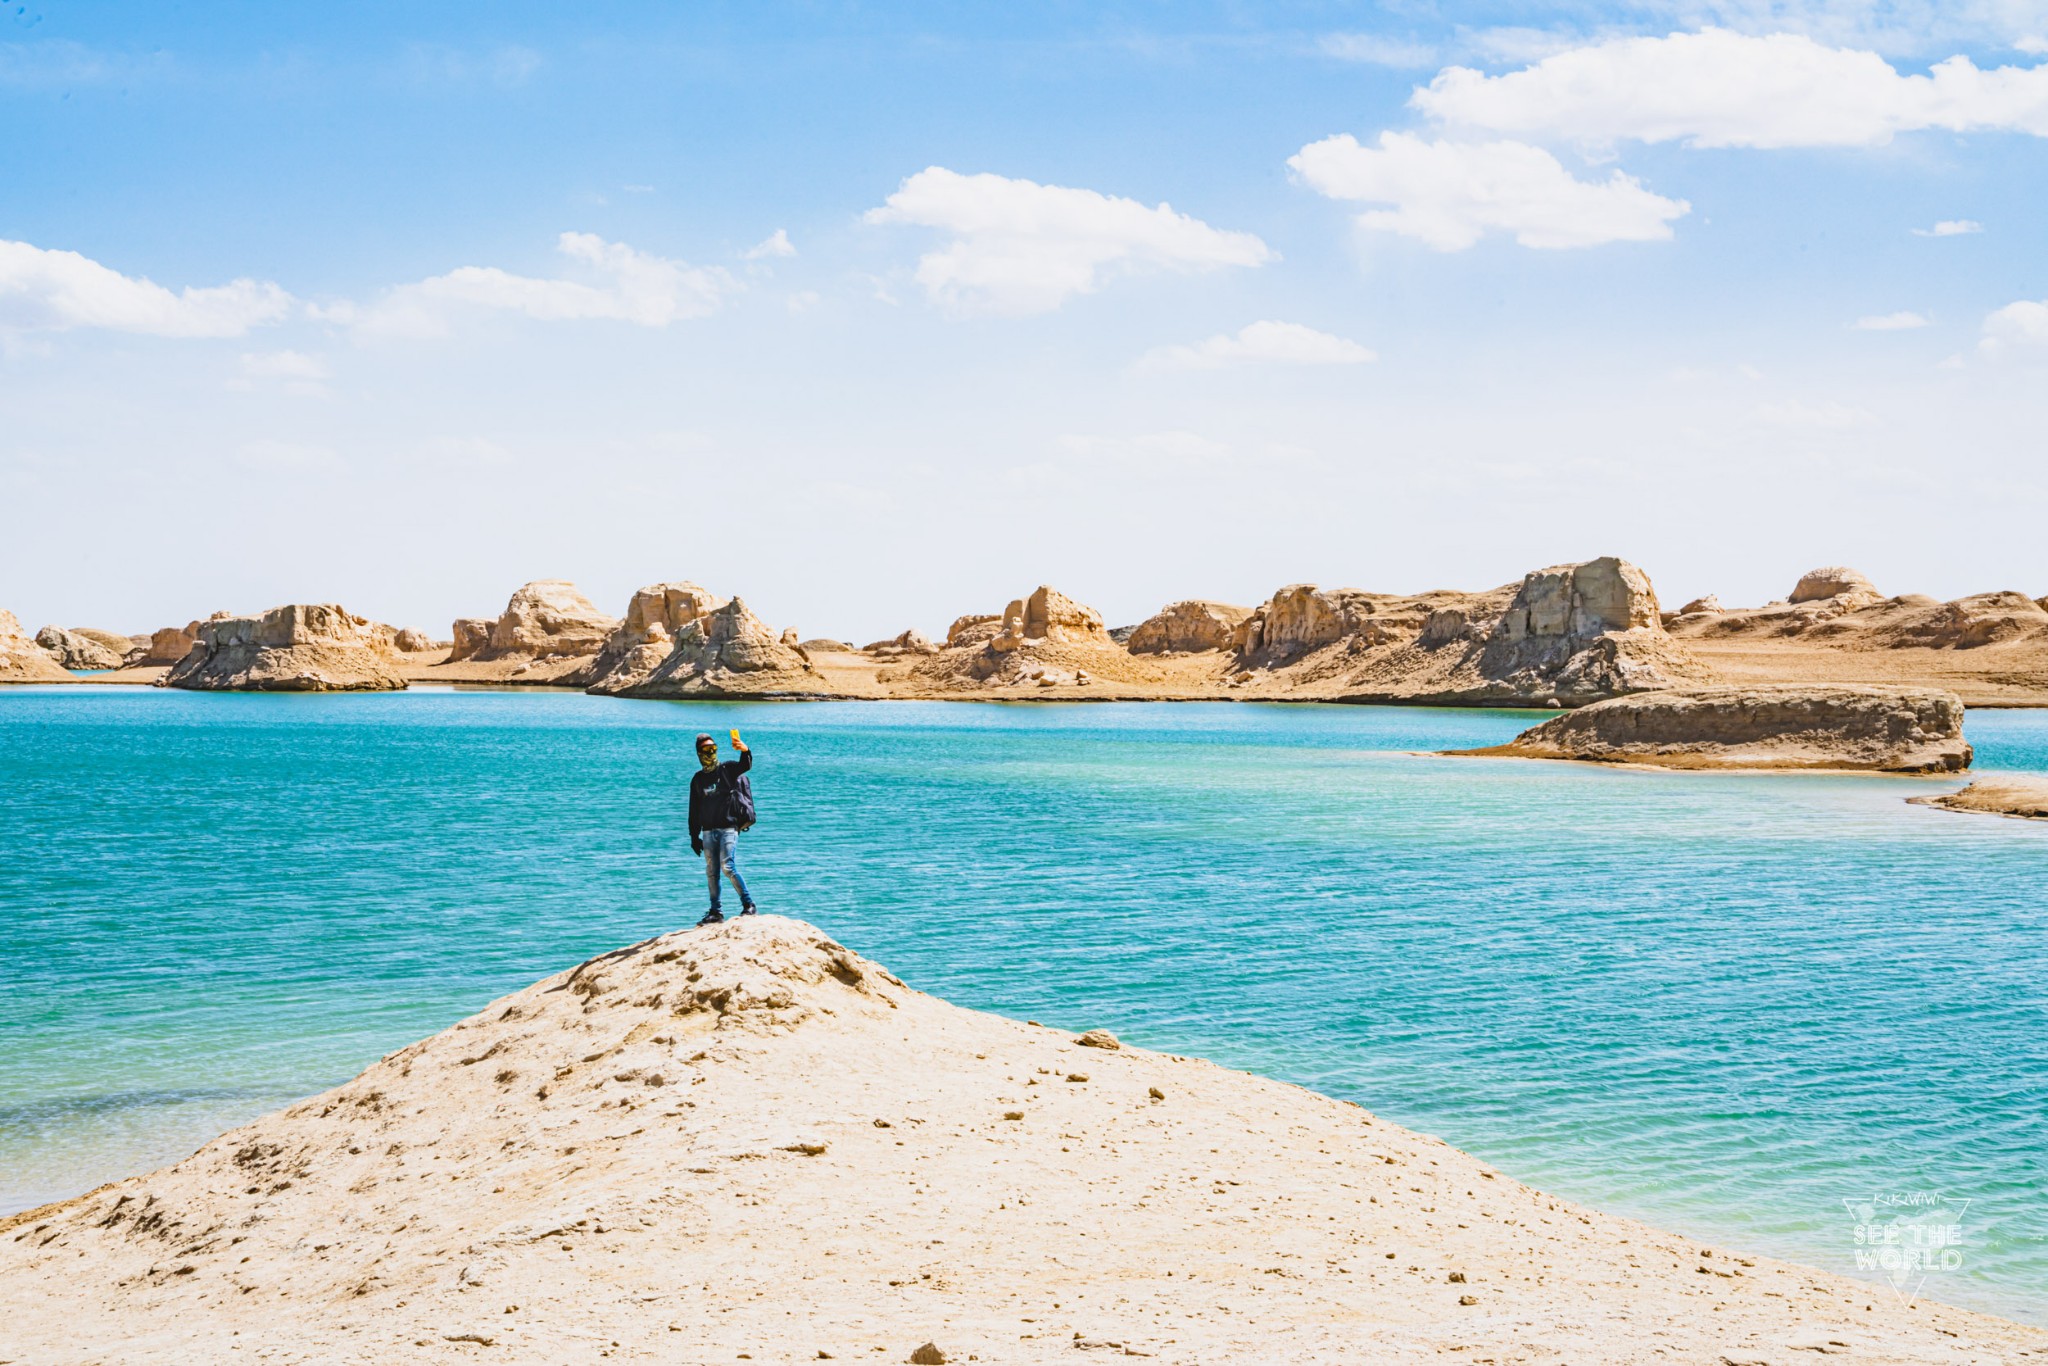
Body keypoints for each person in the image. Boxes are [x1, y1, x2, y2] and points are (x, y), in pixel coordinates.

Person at [689, 730, 756, 925]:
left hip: (728, 828)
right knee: (712, 871)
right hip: (708, 830)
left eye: (713, 748)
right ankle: (715, 912)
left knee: (728, 866)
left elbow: (745, 765)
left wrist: (745, 750)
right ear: (699, 753)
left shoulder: (726, 769)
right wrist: (694, 837)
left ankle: (748, 904)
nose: (711, 753)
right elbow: (693, 810)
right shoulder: (698, 779)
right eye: (706, 749)